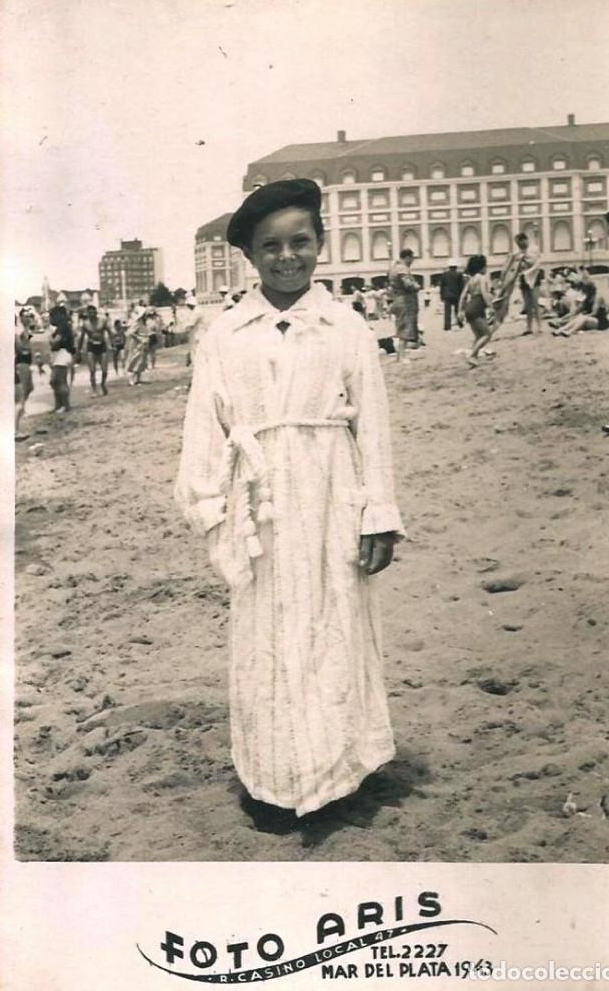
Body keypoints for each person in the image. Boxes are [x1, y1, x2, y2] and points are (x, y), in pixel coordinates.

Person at [175, 178, 404, 828]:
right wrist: (214, 512)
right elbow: (204, 425)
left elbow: (374, 427)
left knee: (336, 622)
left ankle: (341, 771)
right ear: (249, 256)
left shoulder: (345, 326)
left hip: (333, 491)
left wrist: (378, 512)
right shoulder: (225, 333)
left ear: (320, 244)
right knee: (269, 630)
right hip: (263, 503)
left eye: (300, 242)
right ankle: (272, 779)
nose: (286, 257)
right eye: (270, 246)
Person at [493, 233, 542, 335]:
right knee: (527, 304)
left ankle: (539, 326)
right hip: (523, 278)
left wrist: (524, 261)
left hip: (534, 277)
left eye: (520, 243)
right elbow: (511, 267)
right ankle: (529, 327)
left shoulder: (533, 249)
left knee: (535, 303)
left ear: (525, 240)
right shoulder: (517, 253)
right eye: (518, 244)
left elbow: (536, 263)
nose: (519, 246)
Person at [457, 254, 494, 367]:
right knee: (487, 334)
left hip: (469, 307)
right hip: (477, 307)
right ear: (482, 267)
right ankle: (472, 355)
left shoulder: (471, 280)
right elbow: (484, 293)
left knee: (478, 335)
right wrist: (491, 307)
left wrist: (460, 311)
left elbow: (463, 296)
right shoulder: (481, 278)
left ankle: (474, 358)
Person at [388, 248, 420, 363]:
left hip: (397, 300)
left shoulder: (393, 267)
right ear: (407, 257)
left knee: (401, 327)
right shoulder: (402, 268)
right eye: (412, 258)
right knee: (406, 328)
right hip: (405, 301)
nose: (412, 261)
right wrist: (416, 286)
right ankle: (402, 356)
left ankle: (399, 355)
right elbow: (407, 283)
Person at [78, 305, 112, 394]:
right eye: (90, 313)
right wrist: (78, 350)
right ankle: (94, 389)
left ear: (96, 312)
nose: (92, 314)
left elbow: (109, 332)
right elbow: (81, 338)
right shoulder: (85, 324)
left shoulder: (102, 321)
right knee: (92, 370)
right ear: (87, 314)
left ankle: (103, 384)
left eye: (93, 312)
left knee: (104, 370)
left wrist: (113, 343)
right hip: (91, 346)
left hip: (102, 345)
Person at [48, 304, 75, 412]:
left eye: (52, 316)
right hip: (61, 354)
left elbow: (56, 342)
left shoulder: (62, 326)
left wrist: (49, 338)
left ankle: (64, 405)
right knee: (58, 381)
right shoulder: (63, 326)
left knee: (57, 380)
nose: (51, 319)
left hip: (62, 354)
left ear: (58, 316)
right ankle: (59, 405)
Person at [14, 312, 34, 440]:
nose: (27, 318)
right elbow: (20, 348)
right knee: (19, 399)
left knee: (29, 387)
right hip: (20, 362)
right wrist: (28, 349)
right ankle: (15, 430)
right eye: (24, 316)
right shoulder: (18, 331)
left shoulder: (23, 330)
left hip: (21, 362)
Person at [125, 306, 150, 385]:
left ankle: (138, 378)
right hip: (137, 345)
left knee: (141, 361)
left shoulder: (143, 324)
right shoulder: (137, 324)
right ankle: (131, 379)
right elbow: (130, 333)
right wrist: (139, 338)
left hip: (143, 344)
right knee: (135, 360)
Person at [439, 260, 465, 331]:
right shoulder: (459, 274)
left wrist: (441, 296)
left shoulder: (445, 274)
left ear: (449, 267)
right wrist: (462, 296)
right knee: (457, 310)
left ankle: (447, 326)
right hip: (456, 295)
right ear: (456, 267)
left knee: (447, 312)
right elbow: (461, 286)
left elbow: (442, 286)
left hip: (447, 295)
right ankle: (460, 323)